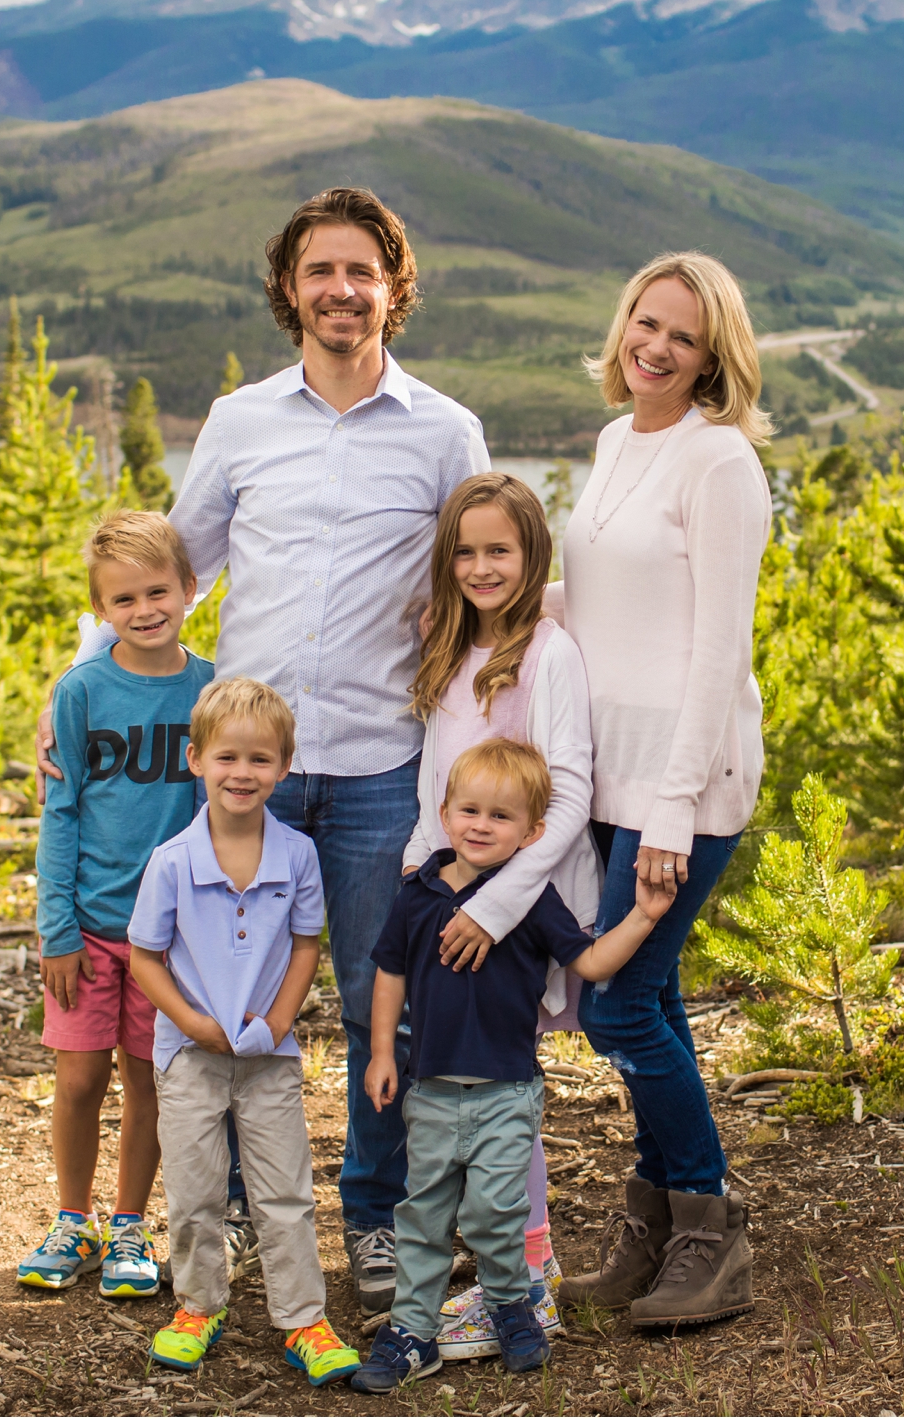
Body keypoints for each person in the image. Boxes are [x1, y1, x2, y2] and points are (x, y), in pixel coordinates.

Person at [39, 187, 489, 1311]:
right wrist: (75, 698)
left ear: (395, 288)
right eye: (320, 271)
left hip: (388, 765)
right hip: (250, 774)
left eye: (363, 273)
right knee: (227, 995)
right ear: (290, 288)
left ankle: (377, 1219)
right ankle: (229, 1209)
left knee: (382, 997)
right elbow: (166, 570)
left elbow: (486, 581)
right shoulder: (241, 422)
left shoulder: (445, 431)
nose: (342, 291)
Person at [501, 251, 773, 1328]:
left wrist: (672, 805)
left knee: (616, 1003)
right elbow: (610, 593)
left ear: (714, 359)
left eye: (684, 337)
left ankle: (711, 1226)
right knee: (648, 996)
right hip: (613, 766)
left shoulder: (721, 465)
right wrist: (502, 606)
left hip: (684, 782)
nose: (655, 347)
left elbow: (718, 644)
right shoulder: (620, 439)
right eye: (645, 324)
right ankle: (659, 1221)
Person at [349, 739, 675, 1393]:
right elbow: (388, 970)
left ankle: (509, 1305)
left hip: (506, 1091)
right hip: (433, 1088)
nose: (480, 825)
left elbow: (589, 964)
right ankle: (413, 1330)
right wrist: (384, 1050)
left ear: (531, 831)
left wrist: (643, 915)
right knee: (423, 1212)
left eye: (500, 817)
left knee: (497, 1210)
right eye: (469, 809)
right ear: (444, 814)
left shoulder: (532, 898)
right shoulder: (418, 894)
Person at [398, 472, 597, 1358]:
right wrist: (423, 869)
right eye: (467, 550)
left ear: (532, 557)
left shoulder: (548, 653)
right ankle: (498, 1275)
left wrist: (498, 906)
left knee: (507, 1093)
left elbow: (570, 795)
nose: (482, 566)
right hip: (452, 912)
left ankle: (529, 1284)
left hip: (519, 916)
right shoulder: (444, 650)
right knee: (465, 1094)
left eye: (500, 551)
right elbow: (434, 784)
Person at [127, 678, 361, 1387]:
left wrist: (281, 1019)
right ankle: (199, 1304)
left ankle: (302, 1319)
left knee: (284, 1189)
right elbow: (143, 956)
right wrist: (192, 1021)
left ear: (284, 767)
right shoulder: (172, 861)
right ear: (197, 758)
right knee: (196, 1187)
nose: (242, 772)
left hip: (268, 1053)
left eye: (260, 759)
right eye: (227, 756)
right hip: (189, 1055)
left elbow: (303, 944)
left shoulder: (296, 855)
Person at [18, 511, 216, 1299]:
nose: (144, 609)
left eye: (158, 591)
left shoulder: (210, 688)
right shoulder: (83, 691)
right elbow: (59, 815)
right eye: (124, 599)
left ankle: (131, 1222)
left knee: (147, 1080)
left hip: (167, 939)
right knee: (77, 1079)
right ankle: (74, 1217)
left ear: (189, 589)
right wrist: (56, 929)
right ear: (100, 612)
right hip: (91, 931)